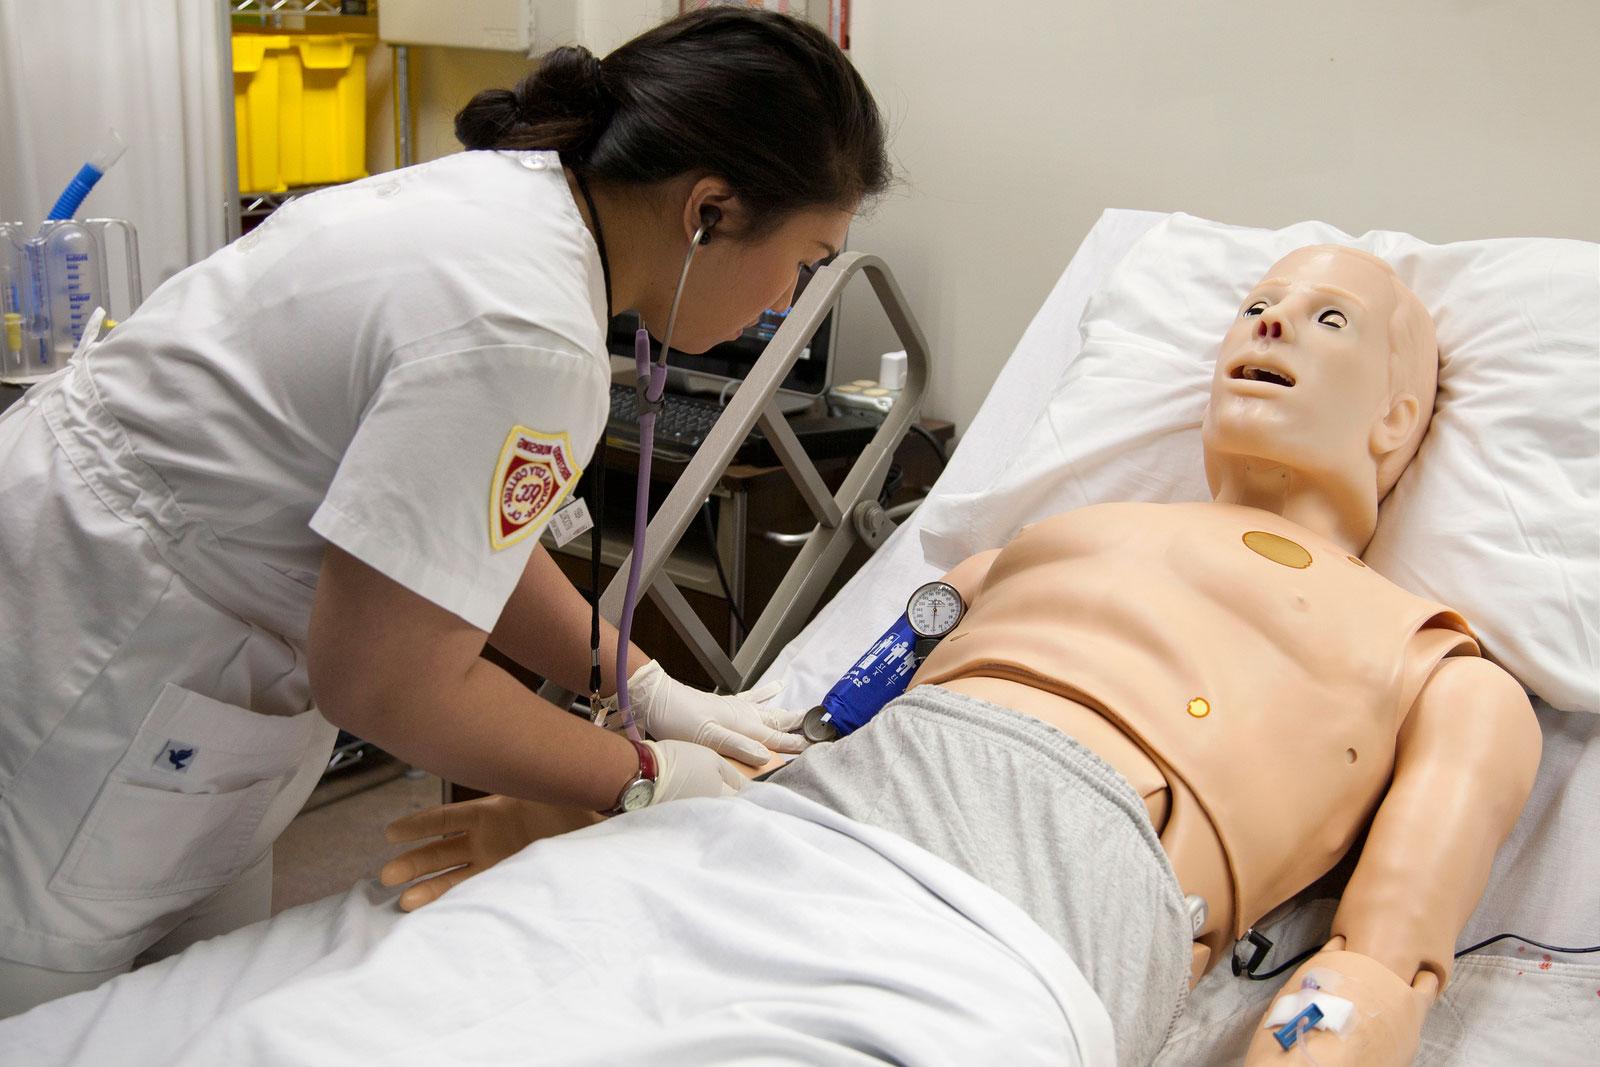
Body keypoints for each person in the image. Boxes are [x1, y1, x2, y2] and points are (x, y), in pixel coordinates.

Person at [377, 246, 1541, 1065]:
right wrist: (589, 823)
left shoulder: (1443, 671)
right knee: (417, 1001)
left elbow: (1378, 969)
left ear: (1398, 418)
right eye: (1253, 304)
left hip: (1052, 887)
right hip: (808, 826)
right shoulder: (1023, 553)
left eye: (1325, 318)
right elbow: (823, 740)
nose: (1267, 323)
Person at [0, 7, 888, 1017]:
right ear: (711, 211)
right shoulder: (524, 328)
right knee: (54, 1016)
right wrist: (640, 772)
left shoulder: (507, 199)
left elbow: (441, 534)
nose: (788, 297)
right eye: (807, 259)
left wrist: (641, 684)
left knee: (193, 1002)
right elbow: (387, 683)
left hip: (117, 594)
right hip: (94, 668)